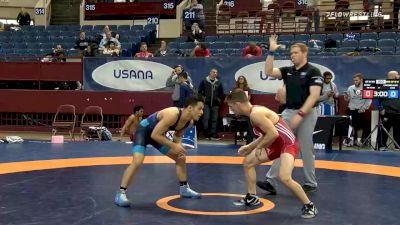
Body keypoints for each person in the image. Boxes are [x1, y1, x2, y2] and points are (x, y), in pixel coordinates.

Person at [226, 90, 318, 219]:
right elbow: (266, 134)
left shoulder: (256, 114)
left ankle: (309, 205)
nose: (231, 110)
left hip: (287, 144)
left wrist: (259, 147)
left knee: (285, 177)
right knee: (248, 163)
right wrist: (250, 146)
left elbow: (273, 133)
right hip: (276, 144)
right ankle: (252, 197)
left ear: (238, 104)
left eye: (231, 107)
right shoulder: (253, 113)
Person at [257, 35, 323, 194]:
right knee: (281, 143)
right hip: (289, 112)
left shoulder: (313, 71)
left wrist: (300, 114)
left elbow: (314, 96)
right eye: (291, 53)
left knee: (306, 148)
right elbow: (269, 71)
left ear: (304, 54)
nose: (292, 55)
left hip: (306, 112)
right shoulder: (288, 71)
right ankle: (271, 181)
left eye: (295, 53)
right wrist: (271, 52)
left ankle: (310, 182)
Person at [114, 95, 205, 207]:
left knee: (181, 157)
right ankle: (121, 193)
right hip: (143, 132)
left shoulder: (189, 122)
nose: (202, 112)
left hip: (158, 136)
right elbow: (154, 134)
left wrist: (178, 147)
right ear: (190, 108)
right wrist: (174, 146)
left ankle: (184, 188)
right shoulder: (173, 114)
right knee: (138, 160)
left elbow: (177, 136)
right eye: (200, 109)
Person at [343, 73, 372, 147]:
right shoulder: (350, 88)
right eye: (354, 80)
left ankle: (358, 141)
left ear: (361, 80)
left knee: (360, 126)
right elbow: (347, 99)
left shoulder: (367, 88)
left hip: (360, 110)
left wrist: (363, 108)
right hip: (351, 109)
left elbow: (369, 100)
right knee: (351, 126)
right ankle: (351, 141)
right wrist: (346, 96)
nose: (355, 82)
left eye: (357, 80)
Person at [198, 68, 225, 140]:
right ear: (210, 73)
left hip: (215, 104)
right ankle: (206, 133)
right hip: (206, 103)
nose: (215, 73)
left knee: (214, 119)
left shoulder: (218, 83)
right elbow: (199, 92)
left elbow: (222, 94)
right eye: (214, 72)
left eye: (216, 72)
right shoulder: (204, 81)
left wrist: (219, 100)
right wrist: (203, 99)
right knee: (206, 118)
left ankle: (213, 134)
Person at [377, 71, 400, 150]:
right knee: (384, 130)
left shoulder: (399, 85)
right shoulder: (384, 86)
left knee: (398, 130)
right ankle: (382, 145)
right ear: (392, 76)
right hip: (387, 112)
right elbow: (378, 98)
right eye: (397, 74)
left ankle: (398, 146)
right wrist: (381, 108)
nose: (399, 75)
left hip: (398, 113)